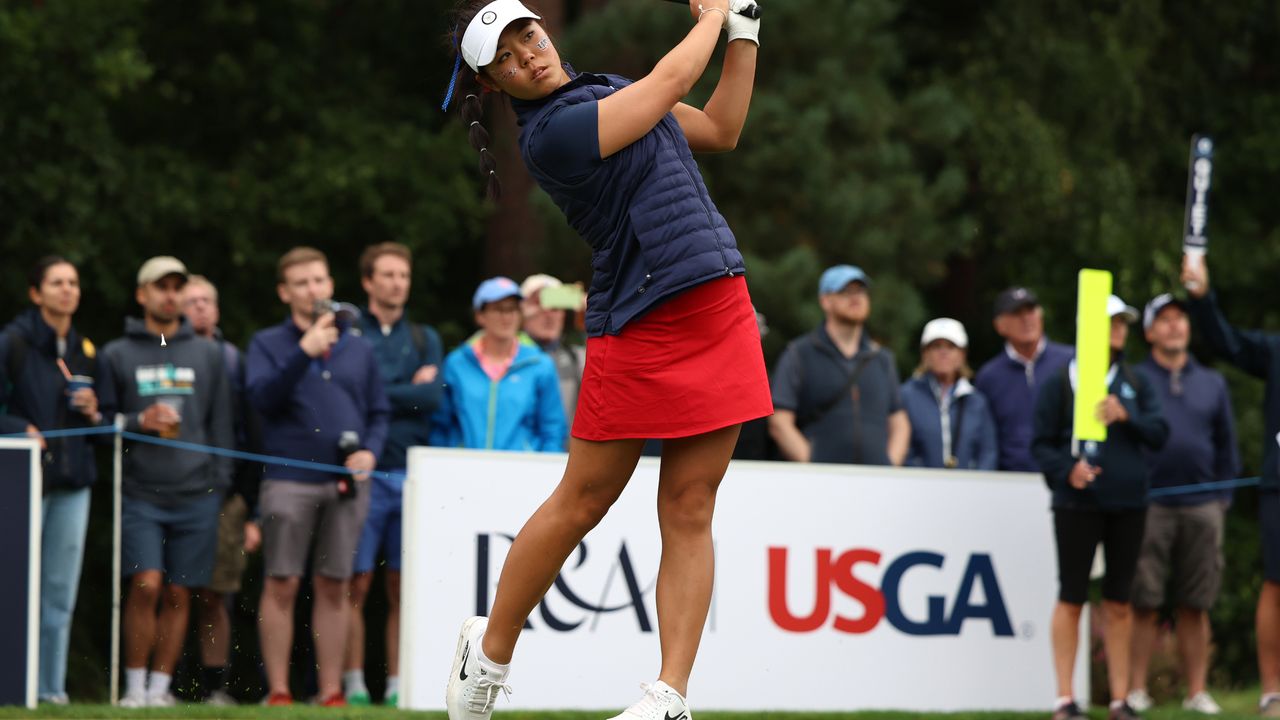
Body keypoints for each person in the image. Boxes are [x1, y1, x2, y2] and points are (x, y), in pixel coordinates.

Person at [439, 1, 770, 717]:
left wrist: (742, 29)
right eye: (506, 55)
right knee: (584, 500)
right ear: (492, 84)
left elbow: (720, 128)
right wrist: (713, 14)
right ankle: (489, 654)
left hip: (716, 302)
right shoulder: (550, 135)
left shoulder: (601, 89)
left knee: (690, 505)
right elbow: (668, 79)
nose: (528, 52)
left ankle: (669, 696)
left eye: (528, 33)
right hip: (640, 317)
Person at [246, 247, 389, 707]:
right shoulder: (268, 343)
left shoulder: (359, 347)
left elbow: (379, 411)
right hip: (288, 479)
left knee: (335, 585)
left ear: (331, 285)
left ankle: (331, 693)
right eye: (302, 283)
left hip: (347, 483)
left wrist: (370, 450)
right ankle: (280, 691)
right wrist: (302, 354)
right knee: (282, 582)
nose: (314, 290)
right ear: (284, 292)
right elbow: (261, 401)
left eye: (320, 281)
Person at [99, 256, 234, 708]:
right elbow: (101, 422)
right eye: (161, 287)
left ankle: (159, 692)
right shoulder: (117, 353)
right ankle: (133, 689)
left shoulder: (208, 353)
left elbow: (221, 426)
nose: (170, 294)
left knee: (181, 592)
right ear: (142, 295)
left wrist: (219, 484)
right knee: (146, 585)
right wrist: (140, 420)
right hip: (140, 492)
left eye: (177, 286)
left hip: (197, 494)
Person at [1032, 295, 1168, 720]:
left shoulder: (1136, 380)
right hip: (1076, 503)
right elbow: (1040, 444)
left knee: (1119, 601)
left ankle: (1119, 699)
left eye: (1123, 323)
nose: (1119, 330)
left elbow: (1159, 432)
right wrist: (1066, 470)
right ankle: (1064, 699)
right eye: (1111, 322)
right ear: (1088, 326)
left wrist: (1126, 416)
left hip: (1128, 502)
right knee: (1071, 597)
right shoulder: (1061, 380)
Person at [0, 256, 110, 705]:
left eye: (73, 283)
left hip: (74, 481)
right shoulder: (13, 343)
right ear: (35, 292)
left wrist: (94, 411)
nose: (67, 290)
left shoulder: (85, 350)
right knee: (15, 582)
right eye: (57, 282)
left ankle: (50, 689)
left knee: (60, 589)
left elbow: (103, 421)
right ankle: (12, 685)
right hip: (23, 481)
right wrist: (14, 428)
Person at [1124, 293, 1238, 715]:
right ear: (1150, 331)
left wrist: (1222, 497)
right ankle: (1136, 689)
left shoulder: (1212, 381)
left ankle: (1196, 692)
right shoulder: (1134, 378)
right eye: (1165, 320)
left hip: (1204, 504)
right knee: (1143, 600)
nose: (1175, 326)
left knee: (1197, 602)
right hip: (1149, 503)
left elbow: (1227, 445)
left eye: (1180, 319)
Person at [344, 242, 445, 707]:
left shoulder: (425, 337)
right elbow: (353, 395)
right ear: (368, 282)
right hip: (362, 475)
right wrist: (409, 389)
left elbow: (433, 400)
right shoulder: (349, 334)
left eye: (402, 275)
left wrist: (385, 391)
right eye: (386, 275)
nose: (396, 283)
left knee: (403, 586)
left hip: (413, 476)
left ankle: (399, 685)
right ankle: (353, 685)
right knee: (354, 582)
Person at [1182, 257, 1280, 716]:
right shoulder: (1275, 350)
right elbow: (1225, 341)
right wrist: (1202, 297)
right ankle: (1272, 691)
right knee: (1276, 584)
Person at [182, 274, 262, 706]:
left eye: (206, 300)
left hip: (225, 493)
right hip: (172, 490)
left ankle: (214, 688)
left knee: (217, 593)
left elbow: (252, 434)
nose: (199, 307)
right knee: (171, 590)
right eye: (190, 301)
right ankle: (162, 687)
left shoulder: (235, 360)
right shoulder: (163, 355)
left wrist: (250, 506)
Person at [768, 264, 909, 465]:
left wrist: (890, 464)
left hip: (877, 484)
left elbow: (899, 421)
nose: (855, 297)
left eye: (861, 291)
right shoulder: (798, 354)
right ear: (825, 301)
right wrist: (812, 461)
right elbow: (780, 421)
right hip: (820, 485)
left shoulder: (881, 358)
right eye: (845, 291)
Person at [429, 277, 566, 452]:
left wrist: (545, 472)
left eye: (513, 309)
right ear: (480, 315)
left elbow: (553, 430)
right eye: (498, 309)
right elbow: (440, 426)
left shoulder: (540, 364)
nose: (507, 317)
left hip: (523, 472)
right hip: (464, 470)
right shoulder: (456, 363)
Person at [975, 286, 1074, 471]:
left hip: (1065, 477)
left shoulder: (1071, 361)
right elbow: (986, 440)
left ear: (1041, 315)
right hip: (1010, 482)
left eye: (1031, 310)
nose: (1026, 318)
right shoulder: (989, 377)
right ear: (1000, 325)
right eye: (1017, 313)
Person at [900, 318, 998, 470]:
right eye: (936, 346)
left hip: (968, 489)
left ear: (962, 354)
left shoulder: (977, 402)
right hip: (920, 487)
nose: (943, 352)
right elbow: (904, 449)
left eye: (951, 347)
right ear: (925, 354)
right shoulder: (907, 396)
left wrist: (978, 484)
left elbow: (988, 452)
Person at [520, 273, 586, 435]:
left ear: (564, 314)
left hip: (564, 457)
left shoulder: (576, 358)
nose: (548, 314)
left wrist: (596, 312)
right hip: (514, 458)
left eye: (555, 307)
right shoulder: (505, 357)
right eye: (538, 304)